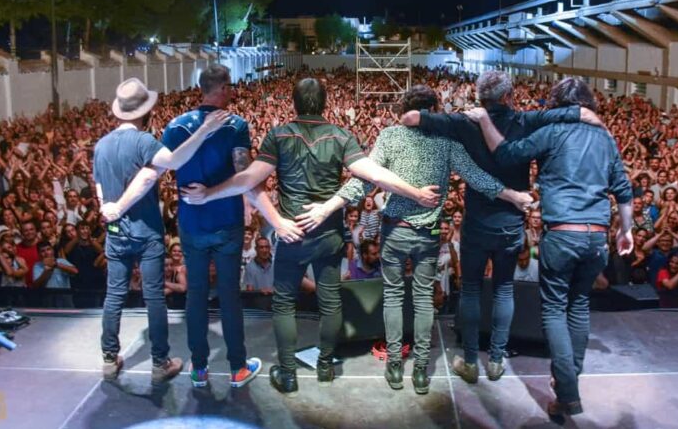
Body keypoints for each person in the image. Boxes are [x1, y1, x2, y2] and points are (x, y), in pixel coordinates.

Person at [181, 77, 440, 397]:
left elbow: (248, 179)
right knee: (330, 302)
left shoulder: (278, 135)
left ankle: (287, 373)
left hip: (291, 234)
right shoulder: (341, 135)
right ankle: (326, 365)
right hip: (329, 234)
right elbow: (374, 175)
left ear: (294, 102)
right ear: (325, 103)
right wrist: (415, 192)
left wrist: (208, 194)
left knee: (284, 303)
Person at [302, 85, 531, 395]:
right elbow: (476, 178)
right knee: (424, 299)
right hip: (428, 234)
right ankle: (421, 370)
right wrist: (512, 195)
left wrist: (329, 205)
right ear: (432, 110)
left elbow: (366, 179)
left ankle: (395, 366)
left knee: (394, 297)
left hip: (395, 231)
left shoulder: (389, 136)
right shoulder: (446, 141)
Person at [400, 69, 596, 383]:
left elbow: (410, 118)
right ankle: (496, 360)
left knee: (472, 290)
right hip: (512, 223)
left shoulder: (464, 122)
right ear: (508, 96)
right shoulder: (527, 120)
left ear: (480, 98)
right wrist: (594, 121)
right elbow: (579, 113)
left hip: (477, 222)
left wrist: (457, 115)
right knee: (504, 289)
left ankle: (469, 360)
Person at [466, 78, 634, 421]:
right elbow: (624, 190)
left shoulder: (553, 132)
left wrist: (484, 120)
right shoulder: (605, 137)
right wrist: (627, 231)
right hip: (597, 236)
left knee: (555, 309)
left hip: (562, 234)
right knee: (580, 304)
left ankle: (568, 393)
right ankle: (568, 377)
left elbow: (507, 153)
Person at [162, 65, 290, 389]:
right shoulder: (235, 126)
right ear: (222, 89)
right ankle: (237, 368)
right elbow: (244, 175)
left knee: (196, 295)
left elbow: (166, 166)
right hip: (226, 224)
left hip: (191, 225)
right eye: (229, 87)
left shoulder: (176, 126)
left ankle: (199, 369)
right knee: (230, 296)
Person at [94, 77, 228, 383]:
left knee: (113, 295)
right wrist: (204, 130)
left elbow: (100, 186)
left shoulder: (101, 146)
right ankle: (159, 363)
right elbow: (175, 159)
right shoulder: (143, 141)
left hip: (115, 233)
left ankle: (109, 358)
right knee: (154, 297)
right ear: (144, 111)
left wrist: (108, 208)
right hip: (146, 233)